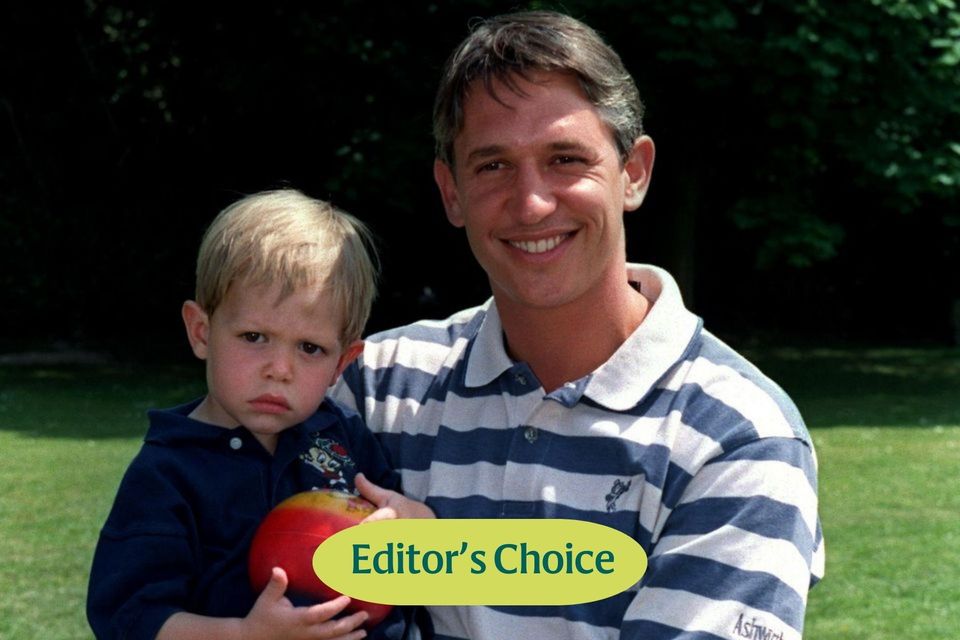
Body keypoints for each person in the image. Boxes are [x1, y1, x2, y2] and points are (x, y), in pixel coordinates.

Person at [330, 10, 824, 640]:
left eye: (565, 159)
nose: (532, 203)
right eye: (492, 166)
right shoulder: (375, 385)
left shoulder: (737, 437)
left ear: (633, 172)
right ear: (451, 191)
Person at [87, 189, 433, 640]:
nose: (280, 369)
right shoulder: (168, 471)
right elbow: (129, 617)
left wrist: (417, 524)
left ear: (341, 364)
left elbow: (410, 561)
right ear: (201, 332)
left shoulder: (344, 435)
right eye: (254, 337)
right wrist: (245, 634)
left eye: (310, 348)